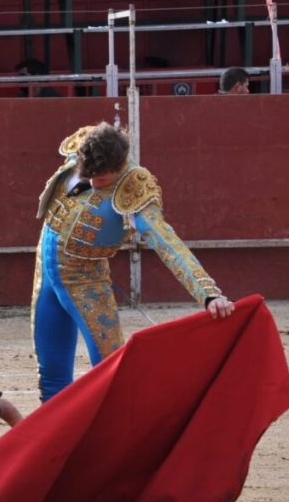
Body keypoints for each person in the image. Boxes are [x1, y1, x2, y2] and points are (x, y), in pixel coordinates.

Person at [32, 122, 234, 401]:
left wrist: (208, 293)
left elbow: (167, 243)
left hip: (85, 282)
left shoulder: (134, 187)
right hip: (45, 273)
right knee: (50, 375)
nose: (93, 183)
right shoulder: (85, 146)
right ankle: (55, 430)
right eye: (88, 174)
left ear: (119, 168)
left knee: (112, 372)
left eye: (102, 179)